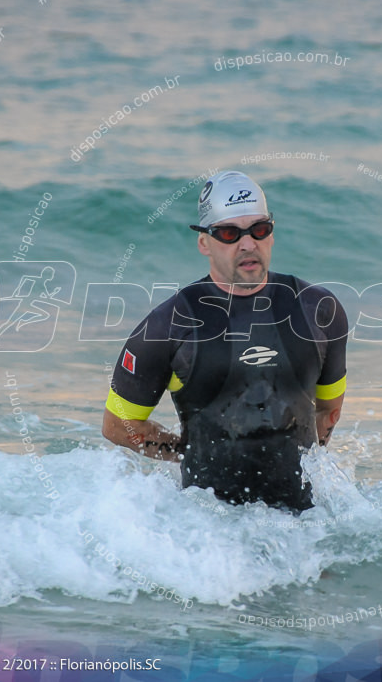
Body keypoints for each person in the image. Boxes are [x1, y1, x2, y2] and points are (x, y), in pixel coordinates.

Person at [102, 170, 347, 512]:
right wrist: (188, 452)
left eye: (259, 230)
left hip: (304, 526)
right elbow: (118, 426)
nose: (248, 244)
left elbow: (328, 411)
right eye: (230, 233)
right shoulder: (168, 326)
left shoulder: (319, 310)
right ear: (204, 242)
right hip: (212, 537)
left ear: (271, 235)